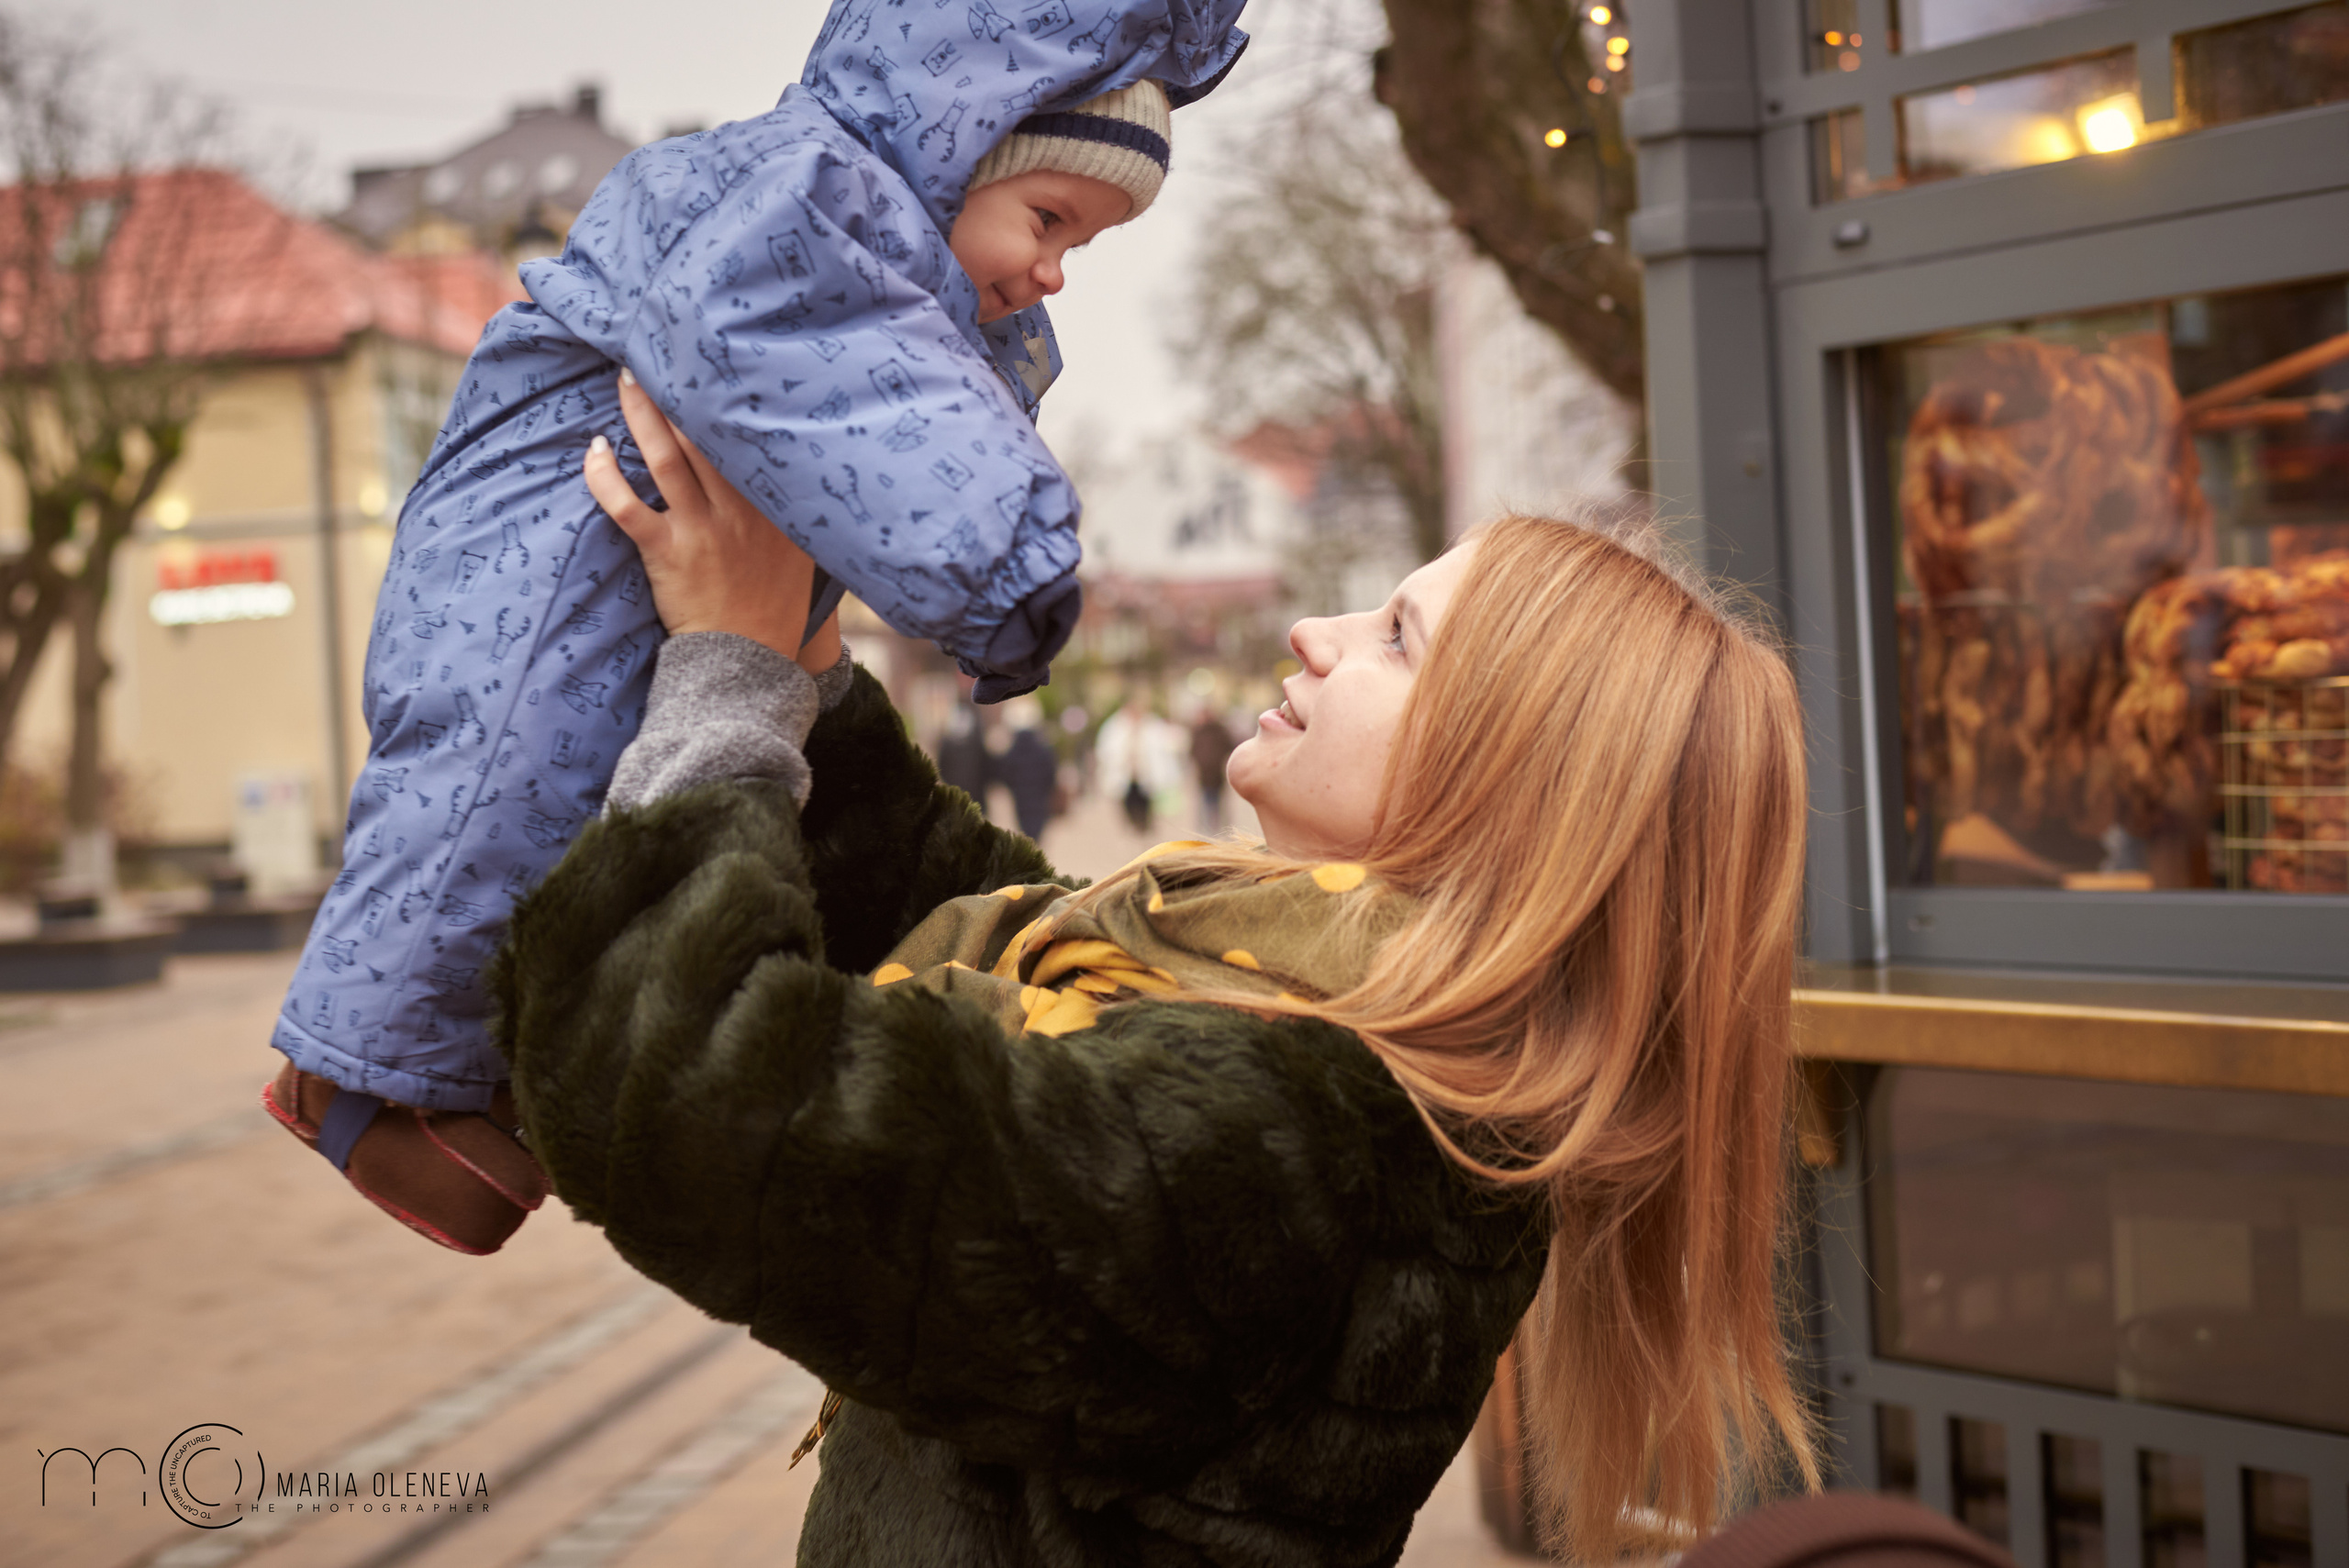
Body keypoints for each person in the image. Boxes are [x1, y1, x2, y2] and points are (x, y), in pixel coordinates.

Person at [494, 390, 1820, 1563]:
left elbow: (717, 1108)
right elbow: (941, 904)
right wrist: (804, 662)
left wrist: (727, 685)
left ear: (1509, 785)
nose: (1315, 630)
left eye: (1400, 639)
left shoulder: (1300, 1138)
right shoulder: (1283, 1002)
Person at [262, 0, 1251, 1252]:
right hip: (548, 549)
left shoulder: (877, 258)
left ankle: (470, 1062)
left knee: (594, 806)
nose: (1055, 267)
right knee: (503, 775)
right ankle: (367, 1062)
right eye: (1049, 219)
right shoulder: (798, 199)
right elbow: (825, 376)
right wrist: (1013, 564)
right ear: (959, 143)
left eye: (1083, 246)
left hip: (626, 558)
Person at [994, 696, 1062, 840]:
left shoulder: (1012, 752)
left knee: (1026, 833)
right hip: (1039, 800)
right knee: (1035, 836)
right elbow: (1051, 773)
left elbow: (1005, 774)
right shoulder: (1043, 750)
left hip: (1021, 800)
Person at [1188, 705, 1236, 829]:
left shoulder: (1219, 732)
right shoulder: (1199, 732)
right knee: (1207, 800)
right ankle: (1210, 825)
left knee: (1215, 800)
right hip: (1206, 774)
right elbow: (1193, 751)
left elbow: (1230, 747)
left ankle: (1217, 824)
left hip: (1215, 773)